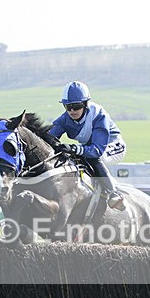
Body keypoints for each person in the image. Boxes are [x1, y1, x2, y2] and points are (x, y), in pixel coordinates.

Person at [49, 81, 127, 211]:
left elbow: (97, 150)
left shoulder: (98, 115)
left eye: (76, 106)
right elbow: (48, 137)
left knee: (93, 158)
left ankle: (114, 193)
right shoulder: (64, 119)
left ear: (85, 104)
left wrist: (74, 148)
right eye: (67, 106)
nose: (72, 111)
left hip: (112, 146)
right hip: (90, 147)